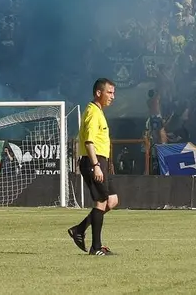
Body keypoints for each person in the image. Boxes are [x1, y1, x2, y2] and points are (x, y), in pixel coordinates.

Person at [68, 78, 120, 256]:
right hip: (93, 161)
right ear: (99, 93)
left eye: (113, 93)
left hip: (100, 161)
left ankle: (79, 229)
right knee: (101, 201)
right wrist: (96, 165)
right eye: (109, 92)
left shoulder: (99, 111)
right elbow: (89, 141)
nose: (112, 96)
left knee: (112, 201)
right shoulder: (92, 111)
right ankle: (96, 247)